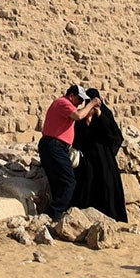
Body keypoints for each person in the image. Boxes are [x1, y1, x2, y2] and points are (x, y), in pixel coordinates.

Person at [38, 84, 99, 218]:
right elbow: (77, 116)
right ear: (71, 96)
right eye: (80, 99)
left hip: (55, 146)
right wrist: (92, 103)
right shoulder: (63, 103)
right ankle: (54, 213)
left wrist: (89, 113)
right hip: (54, 146)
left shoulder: (66, 105)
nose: (82, 103)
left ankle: (53, 214)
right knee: (69, 181)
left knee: (59, 182)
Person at [72, 88, 129, 223]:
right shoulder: (82, 115)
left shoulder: (105, 114)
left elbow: (115, 136)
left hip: (104, 159)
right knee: (87, 185)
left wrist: (100, 116)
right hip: (88, 159)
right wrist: (87, 120)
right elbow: (78, 137)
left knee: (107, 186)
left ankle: (110, 216)